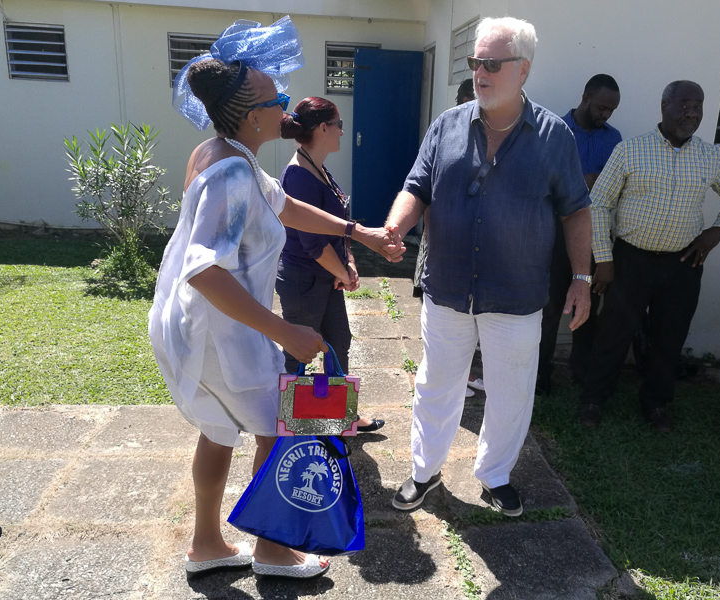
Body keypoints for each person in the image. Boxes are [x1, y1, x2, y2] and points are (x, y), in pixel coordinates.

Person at [149, 18, 403, 580]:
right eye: (278, 99)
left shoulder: (221, 153)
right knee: (279, 430)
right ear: (253, 115)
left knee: (218, 431)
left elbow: (285, 207)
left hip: (200, 329)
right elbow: (203, 270)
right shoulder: (232, 176)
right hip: (225, 335)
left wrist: (357, 232)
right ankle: (272, 550)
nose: (286, 107)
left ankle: (207, 544)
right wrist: (285, 331)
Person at [385, 17, 592, 517]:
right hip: (448, 286)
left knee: (511, 392)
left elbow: (576, 211)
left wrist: (582, 278)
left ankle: (495, 475)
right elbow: (416, 186)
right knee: (436, 383)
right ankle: (424, 471)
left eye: (493, 64)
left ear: (523, 69)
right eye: (476, 61)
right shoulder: (447, 125)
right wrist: (395, 227)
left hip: (516, 294)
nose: (480, 72)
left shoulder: (554, 136)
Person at [578, 80, 720, 432]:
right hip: (631, 261)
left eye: (698, 106)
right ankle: (594, 399)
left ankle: (655, 401)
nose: (692, 113)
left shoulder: (709, 156)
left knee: (669, 337)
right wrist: (605, 258)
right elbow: (599, 203)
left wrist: (717, 231)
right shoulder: (631, 150)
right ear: (665, 106)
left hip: (682, 264)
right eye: (684, 104)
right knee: (614, 333)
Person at [276, 97, 384, 432]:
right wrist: (344, 274)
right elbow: (313, 244)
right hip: (304, 281)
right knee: (299, 353)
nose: (342, 132)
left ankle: (339, 415)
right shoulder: (299, 175)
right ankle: (291, 427)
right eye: (339, 125)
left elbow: (336, 226)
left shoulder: (317, 167)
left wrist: (348, 262)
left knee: (338, 342)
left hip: (327, 277)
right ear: (323, 128)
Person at [535, 74, 621, 394]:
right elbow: (538, 181)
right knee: (550, 307)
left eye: (611, 110)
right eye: (601, 107)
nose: (605, 115)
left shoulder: (614, 139)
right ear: (585, 97)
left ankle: (581, 371)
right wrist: (582, 182)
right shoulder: (554, 130)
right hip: (557, 233)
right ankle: (540, 377)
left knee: (588, 305)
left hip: (596, 234)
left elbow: (617, 185)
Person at [413, 78, 484, 398]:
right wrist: (432, 237)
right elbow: (427, 191)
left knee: (468, 320)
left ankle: (463, 374)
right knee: (441, 315)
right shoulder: (447, 131)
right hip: (442, 242)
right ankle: (449, 376)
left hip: (470, 247)